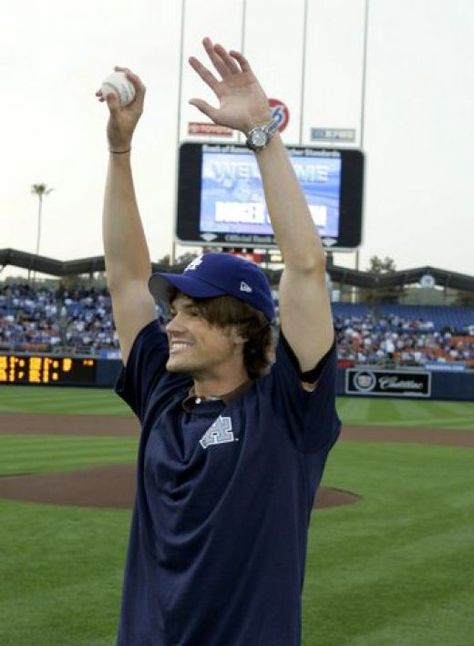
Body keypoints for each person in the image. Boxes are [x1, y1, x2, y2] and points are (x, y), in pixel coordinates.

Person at [99, 36, 341, 646]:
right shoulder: (162, 391)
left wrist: (263, 133)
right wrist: (120, 150)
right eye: (173, 308)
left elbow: (307, 268)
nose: (171, 323)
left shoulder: (287, 412)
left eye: (193, 312)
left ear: (241, 331)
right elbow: (127, 278)